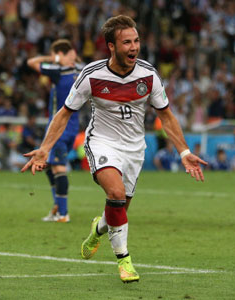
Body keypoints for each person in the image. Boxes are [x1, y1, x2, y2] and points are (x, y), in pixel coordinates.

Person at [21, 15, 207, 283]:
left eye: (136, 41)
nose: (134, 47)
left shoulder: (148, 75)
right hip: (101, 142)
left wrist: (184, 152)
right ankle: (125, 262)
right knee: (116, 194)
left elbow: (166, 115)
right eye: (127, 42)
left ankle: (98, 229)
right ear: (111, 46)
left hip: (134, 148)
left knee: (118, 208)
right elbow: (64, 113)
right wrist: (44, 148)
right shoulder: (91, 75)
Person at [27, 39, 83, 222]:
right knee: (48, 165)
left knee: (58, 168)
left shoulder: (58, 71)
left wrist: (52, 58)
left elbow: (31, 62)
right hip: (73, 126)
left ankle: (63, 213)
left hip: (58, 127)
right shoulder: (81, 71)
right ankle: (58, 206)